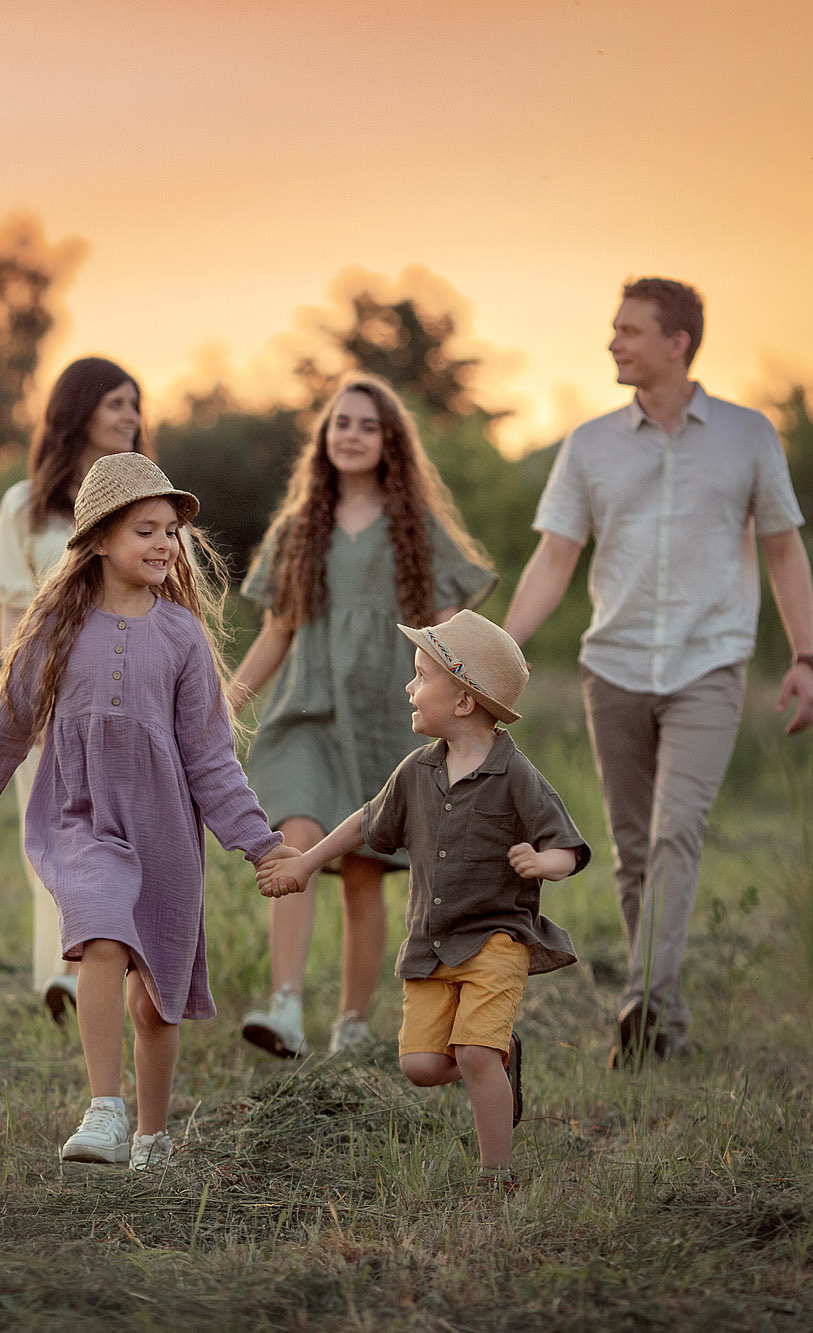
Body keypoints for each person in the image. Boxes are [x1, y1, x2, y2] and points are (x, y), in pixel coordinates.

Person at [0, 453, 299, 1170]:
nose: (164, 543)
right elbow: (11, 716)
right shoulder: (56, 625)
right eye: (144, 529)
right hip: (81, 818)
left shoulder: (182, 636)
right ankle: (105, 1108)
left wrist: (260, 843)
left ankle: (153, 1134)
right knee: (100, 932)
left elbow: (212, 758)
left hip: (165, 834)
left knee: (155, 1005)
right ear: (97, 540)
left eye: (170, 531)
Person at [502, 277, 813, 1068]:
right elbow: (555, 556)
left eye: (629, 330)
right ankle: (664, 1026)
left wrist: (805, 656)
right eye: (614, 328)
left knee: (676, 830)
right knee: (633, 849)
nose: (613, 341)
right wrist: (502, 646)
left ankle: (641, 1000)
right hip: (612, 667)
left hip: (708, 664)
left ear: (677, 342)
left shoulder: (749, 436)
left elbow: (784, 548)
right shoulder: (590, 445)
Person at [258, 611, 588, 1185]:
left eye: (421, 676)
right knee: (421, 1065)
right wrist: (307, 862)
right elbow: (367, 822)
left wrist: (544, 864)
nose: (409, 688)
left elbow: (568, 846)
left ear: (463, 701)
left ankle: (495, 1173)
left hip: (496, 938)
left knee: (474, 1053)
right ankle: (500, 1055)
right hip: (432, 944)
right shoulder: (416, 770)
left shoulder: (515, 774)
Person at [228, 375, 497, 1057]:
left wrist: (469, 705)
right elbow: (277, 632)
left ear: (389, 442)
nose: (351, 434)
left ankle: (351, 1023)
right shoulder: (298, 529)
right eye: (340, 422)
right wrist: (226, 702)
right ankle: (286, 1006)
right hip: (308, 710)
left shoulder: (418, 530)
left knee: (362, 867)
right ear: (324, 436)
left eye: (367, 425)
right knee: (295, 833)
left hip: (384, 716)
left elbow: (449, 634)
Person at [0, 357, 150, 1023]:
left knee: (120, 837)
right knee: (54, 841)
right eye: (116, 403)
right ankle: (67, 976)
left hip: (127, 696)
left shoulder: (145, 499)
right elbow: (13, 610)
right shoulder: (24, 507)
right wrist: (17, 697)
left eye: (135, 404)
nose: (130, 416)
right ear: (78, 411)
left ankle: (104, 975)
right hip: (50, 698)